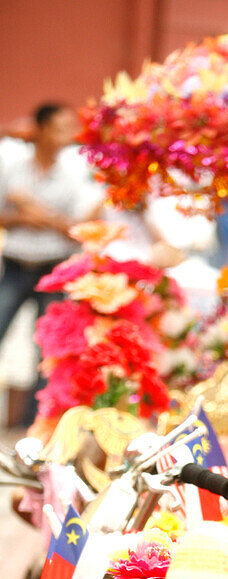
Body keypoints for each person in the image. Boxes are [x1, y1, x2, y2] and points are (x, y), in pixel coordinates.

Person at [0, 102, 103, 424]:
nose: (66, 137)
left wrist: (34, 210)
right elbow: (5, 215)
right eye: (59, 129)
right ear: (41, 130)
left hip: (54, 269)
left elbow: (78, 229)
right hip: (15, 266)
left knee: (49, 348)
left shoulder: (75, 174)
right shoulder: (13, 167)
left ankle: (34, 424)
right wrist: (22, 217)